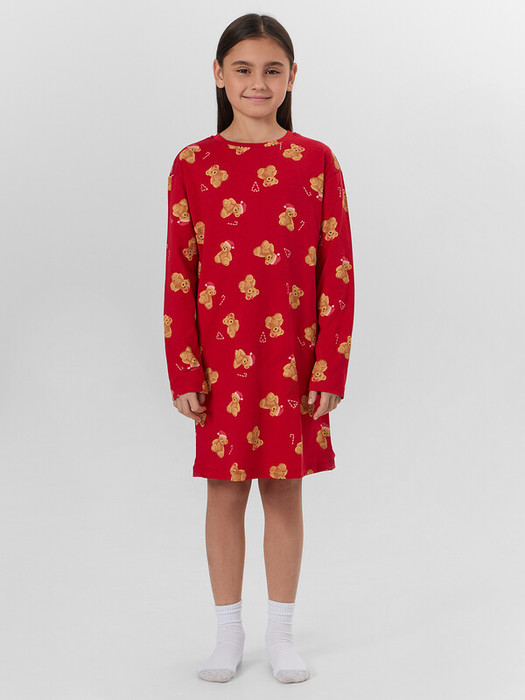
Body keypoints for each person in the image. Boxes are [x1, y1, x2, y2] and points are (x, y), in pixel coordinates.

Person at [163, 12, 355, 684]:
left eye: (272, 70)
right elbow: (179, 271)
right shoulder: (192, 164)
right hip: (220, 360)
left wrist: (330, 365)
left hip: (293, 359)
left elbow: (337, 270)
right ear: (219, 75)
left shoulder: (316, 161)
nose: (257, 82)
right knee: (223, 490)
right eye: (242, 69)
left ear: (292, 76)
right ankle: (226, 634)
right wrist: (183, 367)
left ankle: (280, 634)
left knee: (283, 488)